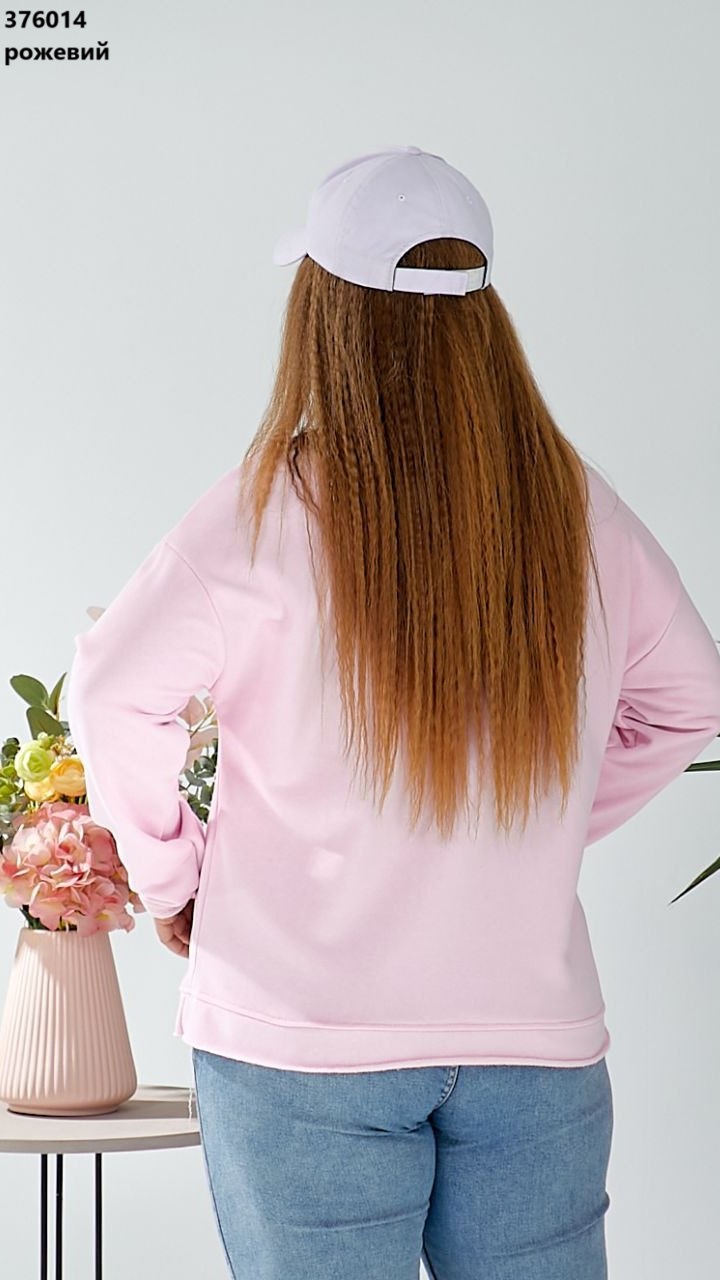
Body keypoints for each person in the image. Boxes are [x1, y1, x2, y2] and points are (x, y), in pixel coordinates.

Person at [67, 145, 720, 1280]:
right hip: (534, 1047)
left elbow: (110, 689)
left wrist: (178, 877)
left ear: (325, 313)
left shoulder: (261, 513)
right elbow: (689, 698)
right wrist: (528, 828)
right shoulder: (575, 507)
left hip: (300, 1042)